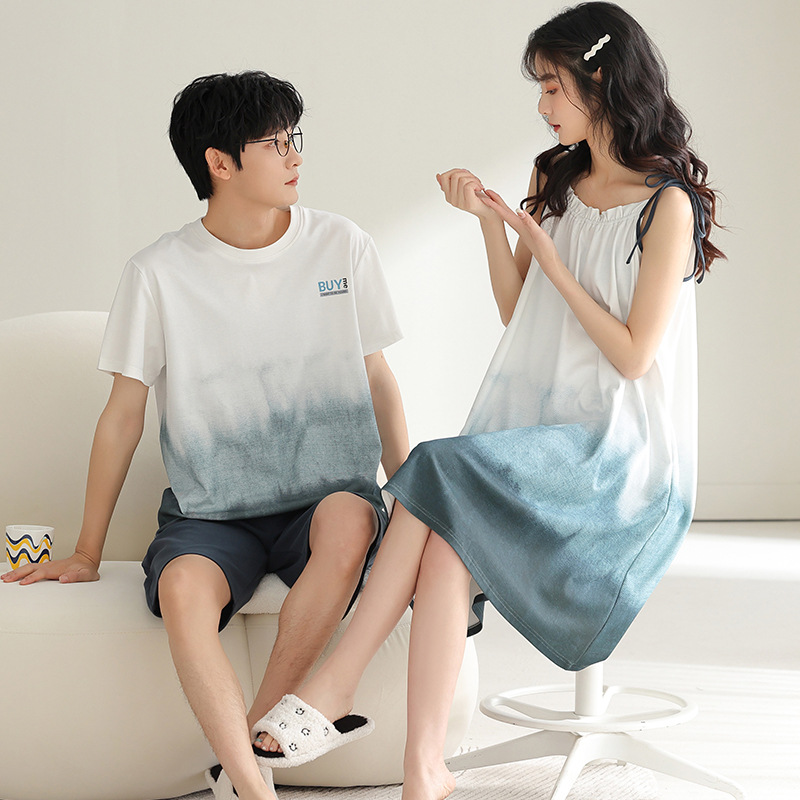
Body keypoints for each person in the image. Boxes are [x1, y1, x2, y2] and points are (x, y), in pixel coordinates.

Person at [246, 4, 725, 800]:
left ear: (601, 79)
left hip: (620, 458)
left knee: (433, 466)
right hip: (539, 437)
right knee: (444, 549)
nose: (542, 104)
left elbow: (634, 356)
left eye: (553, 86)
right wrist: (488, 227)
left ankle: (337, 683)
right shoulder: (554, 175)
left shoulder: (665, 204)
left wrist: (548, 254)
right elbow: (518, 312)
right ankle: (424, 772)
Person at [1, 71, 408, 800]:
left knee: (350, 519)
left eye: (294, 138)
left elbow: (377, 377)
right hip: (212, 514)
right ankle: (253, 786)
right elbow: (122, 416)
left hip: (328, 497)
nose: (295, 156)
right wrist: (88, 551)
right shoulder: (157, 273)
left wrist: (409, 491)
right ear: (219, 162)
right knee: (185, 586)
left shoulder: (341, 245)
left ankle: (249, 752)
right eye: (274, 143)